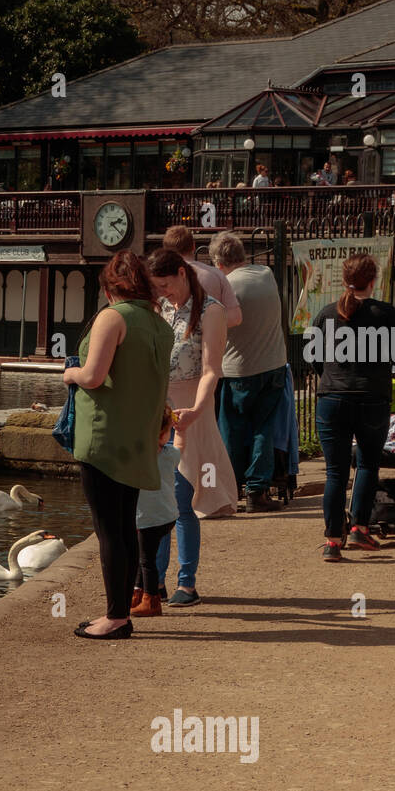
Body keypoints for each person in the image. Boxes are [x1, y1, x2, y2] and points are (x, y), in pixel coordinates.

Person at [63, 251, 172, 640]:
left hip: (104, 438)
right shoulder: (160, 325)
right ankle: (121, 612)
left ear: (110, 287)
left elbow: (93, 376)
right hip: (138, 438)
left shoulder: (113, 317)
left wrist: (69, 373)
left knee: (108, 530)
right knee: (126, 526)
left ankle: (115, 617)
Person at [146, 247, 240, 607]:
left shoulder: (211, 310)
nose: (162, 292)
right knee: (157, 501)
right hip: (158, 411)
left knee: (182, 500)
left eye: (166, 285)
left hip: (189, 410)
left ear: (183, 275)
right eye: (157, 287)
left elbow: (212, 368)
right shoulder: (161, 307)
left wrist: (197, 410)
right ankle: (155, 582)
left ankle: (187, 582)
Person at [310, 253, 395, 561]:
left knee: (335, 472)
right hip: (373, 398)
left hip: (332, 398)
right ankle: (360, 527)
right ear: (374, 280)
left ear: (343, 279)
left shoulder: (324, 314)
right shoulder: (387, 314)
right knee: (367, 464)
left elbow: (313, 361)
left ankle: (333, 540)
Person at [210, 232, 288, 512]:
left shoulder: (226, 285)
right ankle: (258, 491)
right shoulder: (266, 274)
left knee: (231, 428)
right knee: (263, 427)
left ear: (219, 263)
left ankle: (232, 489)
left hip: (238, 369)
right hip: (274, 364)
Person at [132, 409, 181, 616]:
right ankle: (137, 592)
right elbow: (180, 446)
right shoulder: (170, 455)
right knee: (143, 557)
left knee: (146, 560)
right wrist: (182, 431)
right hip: (168, 516)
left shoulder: (137, 455)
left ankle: (152, 599)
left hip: (147, 518)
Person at [161, 225, 242, 328]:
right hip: (209, 340)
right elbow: (235, 318)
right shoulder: (216, 275)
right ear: (193, 246)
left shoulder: (159, 280)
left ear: (166, 250)